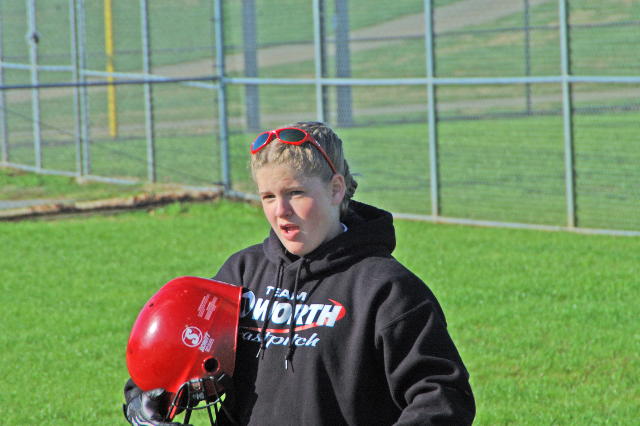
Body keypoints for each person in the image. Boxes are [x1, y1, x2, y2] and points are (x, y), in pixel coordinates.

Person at [124, 121, 475, 425]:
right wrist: (143, 398)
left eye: (295, 193)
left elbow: (443, 396)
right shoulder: (242, 273)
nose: (281, 211)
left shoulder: (386, 290)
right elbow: (171, 354)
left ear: (336, 189)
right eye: (268, 196)